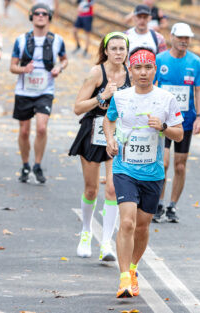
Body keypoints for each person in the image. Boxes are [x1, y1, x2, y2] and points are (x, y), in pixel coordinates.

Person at [103, 47, 183, 298]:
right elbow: (109, 119)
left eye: (148, 67)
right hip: (125, 168)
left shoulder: (166, 99)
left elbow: (179, 134)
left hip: (153, 172)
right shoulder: (121, 97)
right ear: (130, 70)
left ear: (155, 70)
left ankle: (134, 267)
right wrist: (109, 139)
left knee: (142, 226)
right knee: (127, 222)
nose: (143, 73)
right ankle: (124, 277)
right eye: (137, 68)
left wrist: (164, 126)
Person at [69, 32, 131, 261]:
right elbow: (77, 107)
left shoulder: (131, 75)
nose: (117, 53)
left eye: (121, 49)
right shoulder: (97, 73)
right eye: (113, 48)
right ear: (105, 51)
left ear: (127, 51)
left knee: (113, 188)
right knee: (91, 189)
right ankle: (86, 232)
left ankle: (106, 242)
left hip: (117, 133)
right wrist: (101, 96)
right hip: (93, 131)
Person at [152, 23, 200, 223]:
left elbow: (199, 90)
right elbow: (151, 86)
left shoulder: (196, 63)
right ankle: (158, 202)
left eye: (187, 38)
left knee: (180, 166)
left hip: (185, 121)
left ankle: (172, 205)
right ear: (172, 37)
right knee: (164, 163)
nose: (184, 41)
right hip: (164, 122)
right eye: (181, 37)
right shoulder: (160, 60)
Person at [10, 3, 68, 183]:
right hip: (24, 91)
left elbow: (64, 60)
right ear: (31, 16)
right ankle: (26, 164)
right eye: (37, 13)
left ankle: (37, 164)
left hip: (45, 90)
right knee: (25, 131)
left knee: (41, 128)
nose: (40, 16)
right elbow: (12, 67)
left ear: (49, 17)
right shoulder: (21, 39)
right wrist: (23, 69)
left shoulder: (57, 40)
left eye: (44, 13)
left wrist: (59, 68)